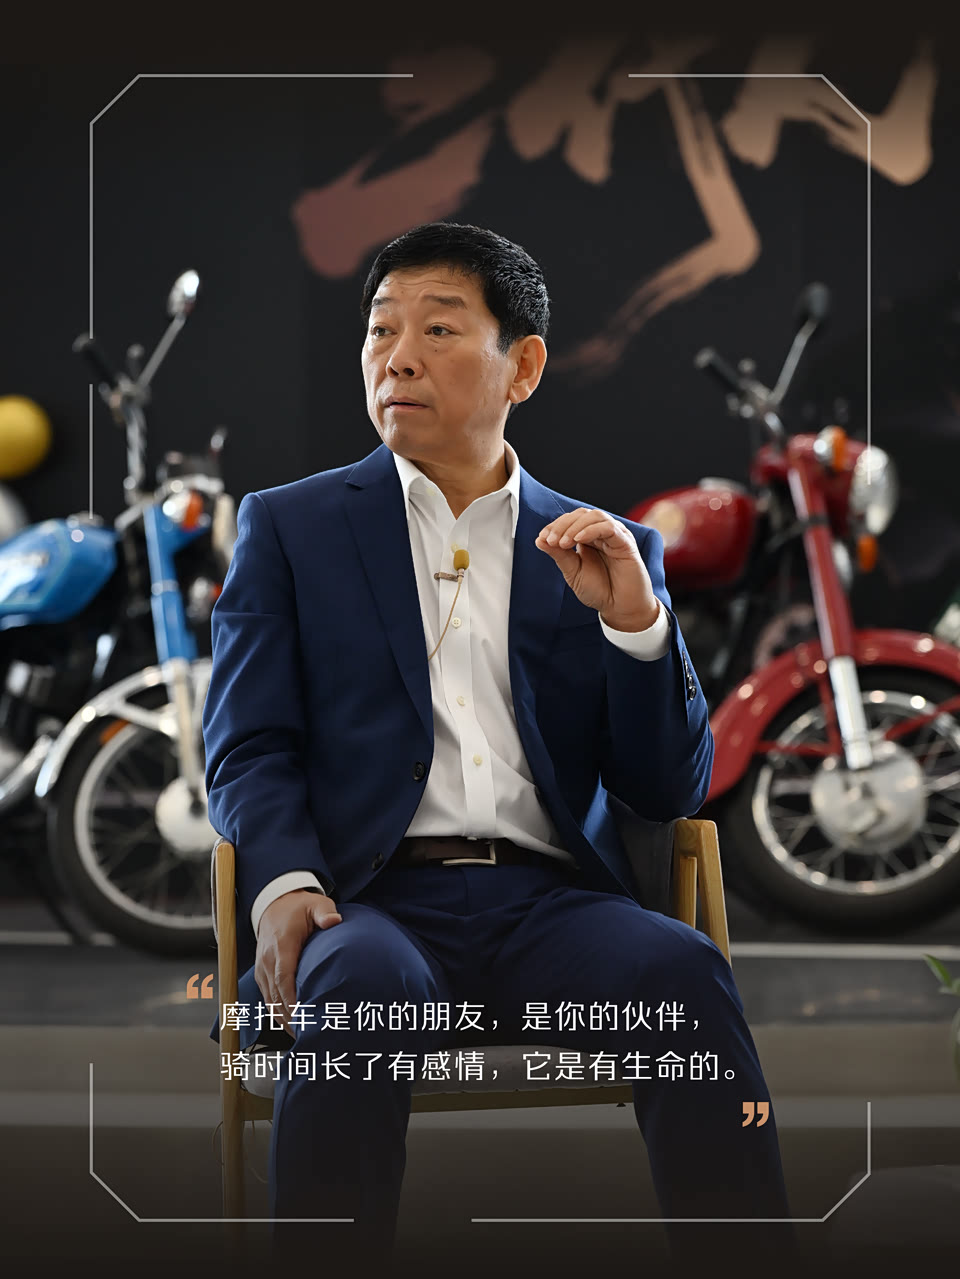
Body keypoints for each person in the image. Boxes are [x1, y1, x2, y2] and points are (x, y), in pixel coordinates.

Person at [202, 221, 795, 1273]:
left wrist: (636, 627)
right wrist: (285, 882)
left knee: (682, 970)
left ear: (522, 366)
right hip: (371, 903)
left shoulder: (608, 546)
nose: (397, 357)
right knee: (359, 985)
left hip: (552, 908)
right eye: (381, 330)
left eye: (438, 329)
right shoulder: (292, 528)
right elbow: (249, 743)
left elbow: (669, 786)